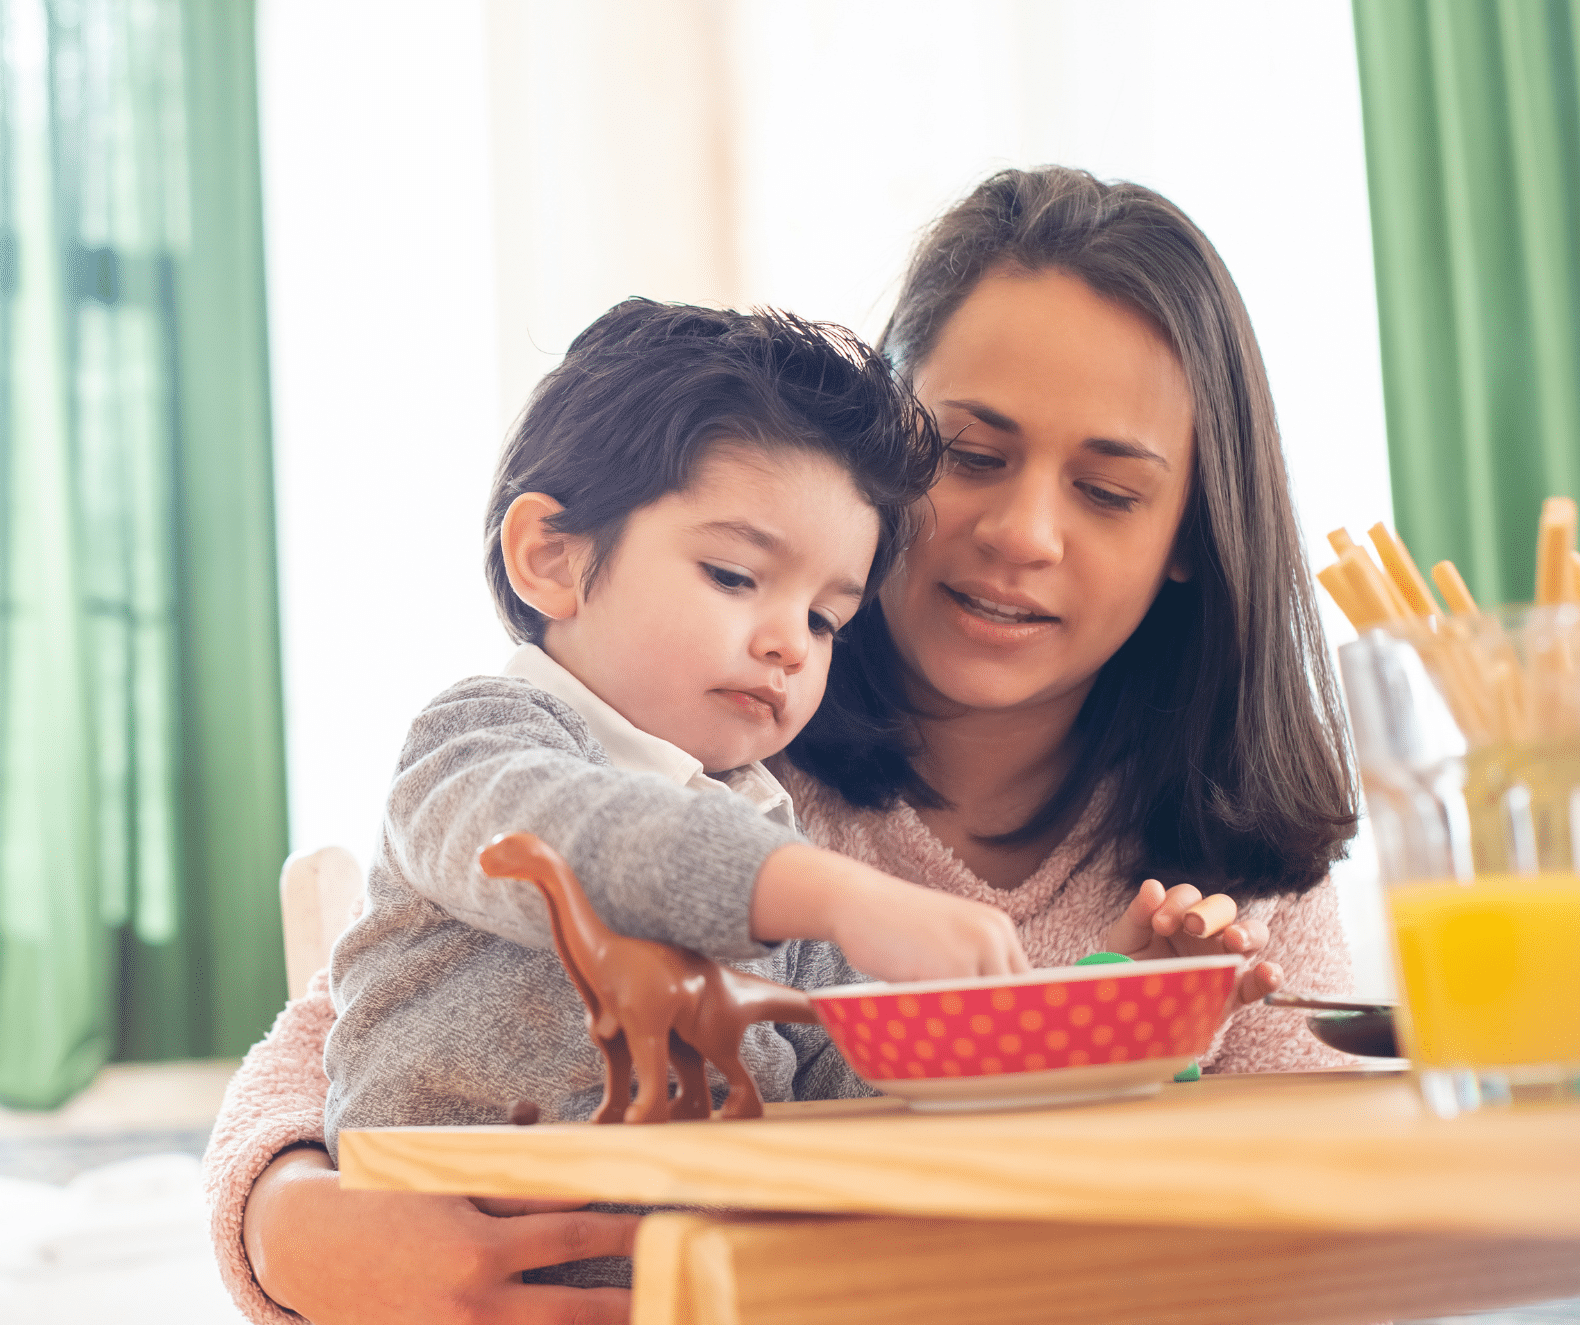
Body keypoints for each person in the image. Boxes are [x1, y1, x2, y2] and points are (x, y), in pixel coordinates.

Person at [204, 167, 1360, 1325]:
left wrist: (1104, 1016)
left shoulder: (1232, 868)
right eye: (971, 454)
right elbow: (346, 1018)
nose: (1022, 535)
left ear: (1188, 539)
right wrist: (290, 1226)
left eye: (1107, 490)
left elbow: (884, 1087)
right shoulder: (671, 753)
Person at [326, 299, 1038, 1186]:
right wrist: (835, 893)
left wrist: (1078, 1012)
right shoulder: (476, 740)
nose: (790, 642)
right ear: (550, 558)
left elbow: (853, 1083)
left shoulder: (769, 837)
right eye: (734, 575)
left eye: (825, 619)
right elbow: (575, 841)